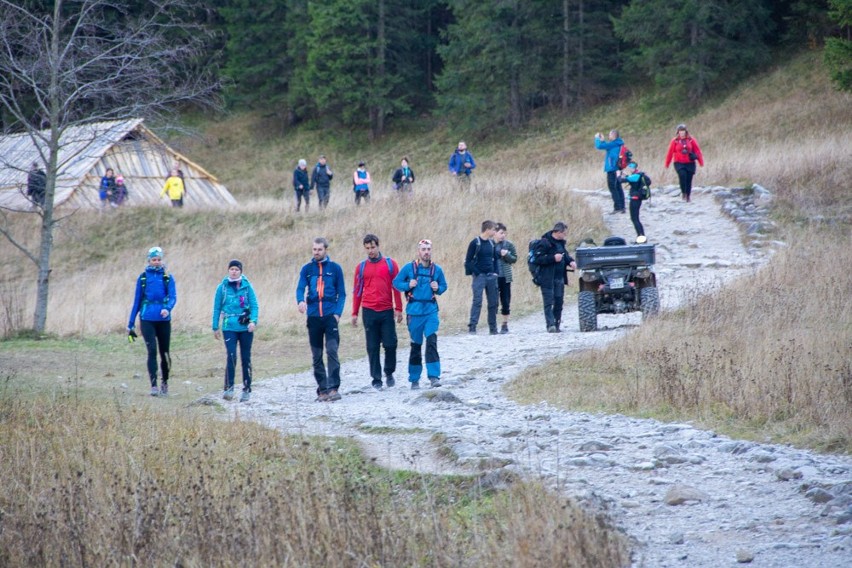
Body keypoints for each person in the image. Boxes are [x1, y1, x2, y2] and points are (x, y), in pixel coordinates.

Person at [393, 239, 448, 389]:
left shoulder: (437, 270)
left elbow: (444, 286)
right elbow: (396, 283)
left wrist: (438, 288)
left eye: (428, 249)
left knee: (431, 342)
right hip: (414, 313)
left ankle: (434, 377)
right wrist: (407, 285)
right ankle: (414, 379)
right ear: (418, 251)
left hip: (430, 311)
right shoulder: (409, 268)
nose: (426, 252)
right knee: (416, 346)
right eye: (423, 249)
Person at [296, 237, 346, 402]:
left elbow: (342, 294)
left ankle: (333, 388)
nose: (316, 252)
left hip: (330, 316)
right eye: (314, 250)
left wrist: (337, 313)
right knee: (316, 356)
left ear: (325, 250)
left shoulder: (335, 268)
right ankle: (323, 390)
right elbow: (300, 287)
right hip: (314, 318)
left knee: (332, 351)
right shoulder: (307, 269)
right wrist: (301, 301)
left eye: (319, 250)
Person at [351, 234, 403, 391]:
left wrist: (399, 308)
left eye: (373, 247)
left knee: (390, 344)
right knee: (372, 347)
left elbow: (396, 288)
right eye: (367, 248)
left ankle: (389, 372)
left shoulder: (390, 264)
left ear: (378, 246)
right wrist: (354, 312)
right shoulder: (361, 268)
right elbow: (357, 291)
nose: (370, 251)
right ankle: (376, 378)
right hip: (369, 311)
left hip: (386, 310)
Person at [127, 247, 177, 397]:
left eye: (159, 259)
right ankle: (154, 385)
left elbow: (173, 296)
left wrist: (167, 308)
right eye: (154, 259)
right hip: (147, 318)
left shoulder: (168, 277)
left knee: (165, 352)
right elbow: (137, 301)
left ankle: (165, 383)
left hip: (163, 319)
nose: (157, 262)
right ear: (149, 260)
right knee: (152, 351)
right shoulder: (143, 278)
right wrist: (131, 323)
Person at [212, 259, 259, 402]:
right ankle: (229, 388)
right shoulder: (222, 287)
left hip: (245, 327)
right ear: (228, 270)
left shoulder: (247, 286)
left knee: (246, 358)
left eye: (236, 269)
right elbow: (217, 307)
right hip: (229, 326)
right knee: (231, 356)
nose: (234, 271)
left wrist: (253, 321)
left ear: (241, 271)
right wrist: (215, 326)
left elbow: (255, 305)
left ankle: (246, 388)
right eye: (231, 269)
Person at [530, 222, 576, 333]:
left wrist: (571, 262)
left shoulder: (561, 244)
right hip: (547, 278)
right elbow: (537, 259)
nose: (565, 235)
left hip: (559, 278)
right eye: (564, 233)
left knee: (559, 301)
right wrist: (552, 258)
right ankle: (550, 325)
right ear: (558, 232)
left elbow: (565, 255)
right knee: (548, 302)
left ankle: (557, 324)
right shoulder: (544, 242)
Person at [464, 220, 499, 335]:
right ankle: (472, 326)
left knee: (493, 302)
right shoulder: (475, 242)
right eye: (494, 229)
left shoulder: (492, 243)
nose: (495, 232)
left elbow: (495, 259)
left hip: (491, 276)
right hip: (479, 277)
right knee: (477, 301)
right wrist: (477, 273)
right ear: (487, 229)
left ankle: (493, 328)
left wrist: (495, 273)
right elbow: (468, 261)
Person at [664, 123, 704, 202]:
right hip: (679, 162)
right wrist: (667, 163)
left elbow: (697, 150)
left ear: (686, 131)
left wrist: (700, 161)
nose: (682, 133)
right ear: (678, 132)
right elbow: (670, 152)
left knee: (689, 179)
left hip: (690, 162)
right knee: (682, 175)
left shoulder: (691, 140)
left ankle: (688, 195)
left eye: (683, 131)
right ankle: (683, 193)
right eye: (680, 131)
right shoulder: (675, 141)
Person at [493, 222, 518, 334]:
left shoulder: (509, 245)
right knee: (493, 301)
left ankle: (505, 324)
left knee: (506, 300)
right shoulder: (490, 245)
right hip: (493, 277)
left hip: (505, 277)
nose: (503, 235)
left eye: (504, 233)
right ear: (495, 233)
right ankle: (492, 324)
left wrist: (506, 254)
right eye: (501, 233)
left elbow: (514, 259)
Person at [618, 162, 651, 243]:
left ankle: (641, 238)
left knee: (635, 219)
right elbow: (630, 178)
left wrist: (618, 174)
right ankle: (641, 237)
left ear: (633, 168)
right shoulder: (638, 175)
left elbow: (620, 180)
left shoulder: (636, 176)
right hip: (637, 199)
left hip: (635, 199)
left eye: (629, 167)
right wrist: (625, 175)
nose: (628, 169)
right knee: (636, 219)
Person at [594, 130, 626, 214]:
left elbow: (599, 146)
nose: (609, 136)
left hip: (612, 169)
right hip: (617, 168)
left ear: (613, 135)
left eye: (610, 135)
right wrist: (603, 140)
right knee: (618, 187)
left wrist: (597, 138)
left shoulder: (613, 144)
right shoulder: (619, 143)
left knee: (613, 188)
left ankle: (617, 207)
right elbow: (606, 146)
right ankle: (622, 207)